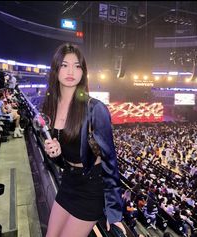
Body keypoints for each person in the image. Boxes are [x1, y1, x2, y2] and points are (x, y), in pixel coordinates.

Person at [42, 43, 126, 237]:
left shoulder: (95, 109)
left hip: (91, 189)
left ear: (83, 72)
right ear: (55, 70)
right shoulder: (49, 108)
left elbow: (110, 162)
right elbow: (64, 160)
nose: (71, 70)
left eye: (77, 65)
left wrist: (114, 214)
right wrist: (55, 154)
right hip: (68, 182)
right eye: (64, 65)